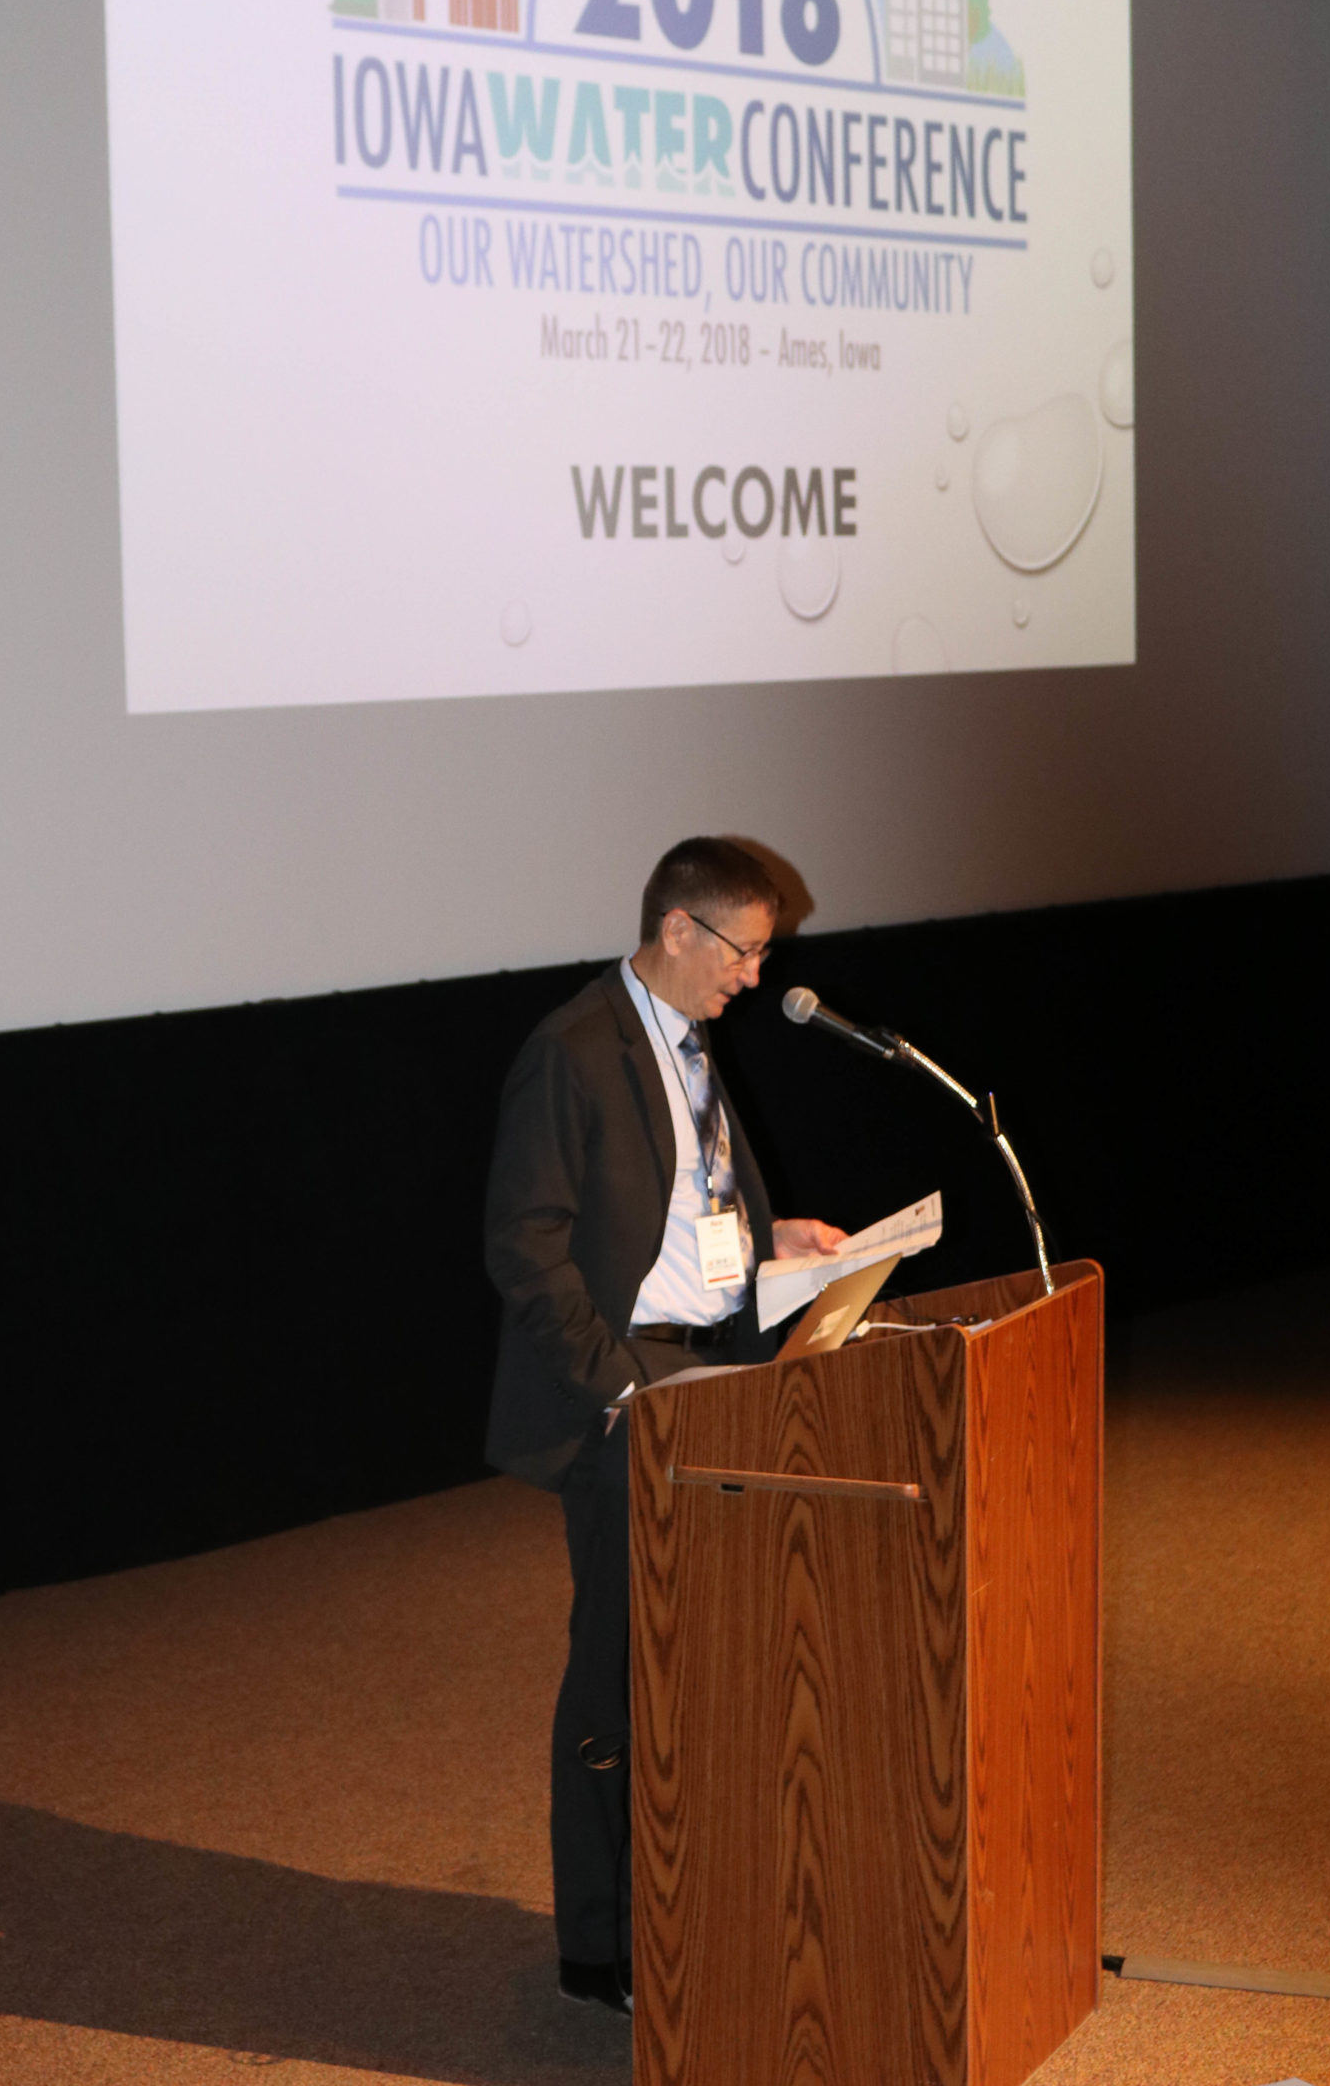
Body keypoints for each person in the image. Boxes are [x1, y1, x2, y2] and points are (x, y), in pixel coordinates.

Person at [483, 836, 844, 2016]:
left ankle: (694, 1910)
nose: (755, 976)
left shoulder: (687, 1038)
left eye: (765, 954)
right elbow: (525, 1248)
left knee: (710, 1668)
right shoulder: (572, 1048)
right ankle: (606, 1946)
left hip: (718, 1369)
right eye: (745, 950)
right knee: (624, 1676)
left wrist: (775, 1241)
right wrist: (618, 1386)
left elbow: (682, 1203)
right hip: (631, 1395)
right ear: (678, 928)